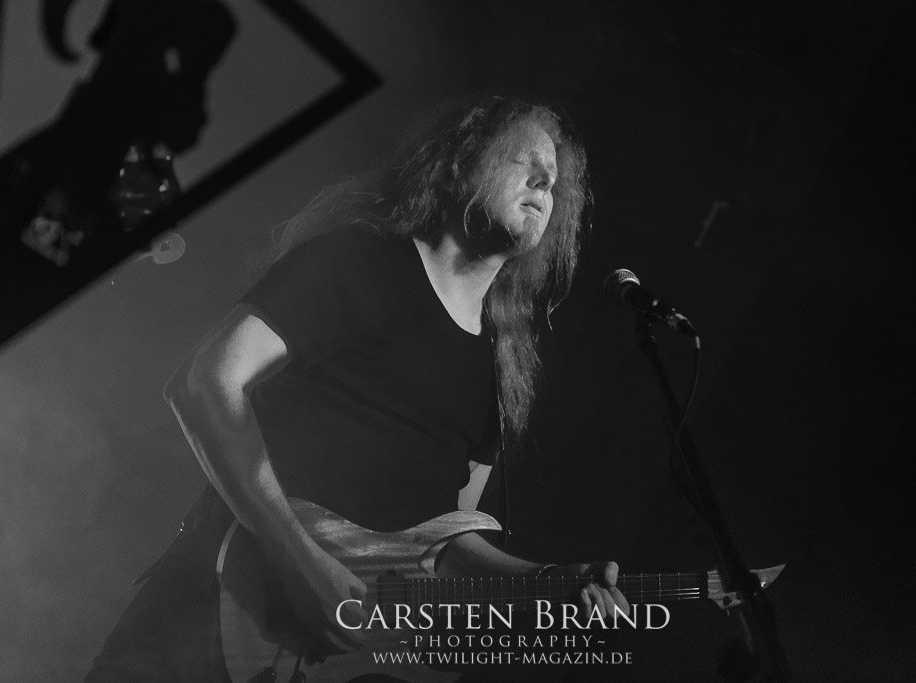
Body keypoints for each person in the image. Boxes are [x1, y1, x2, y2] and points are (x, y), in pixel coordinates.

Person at [86, 94, 628, 682]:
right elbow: (204, 382)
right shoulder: (360, 261)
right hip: (215, 604)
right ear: (460, 163)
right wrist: (300, 562)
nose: (546, 181)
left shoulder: (500, 365)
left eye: (554, 180)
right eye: (526, 161)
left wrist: (546, 581)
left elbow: (443, 547)